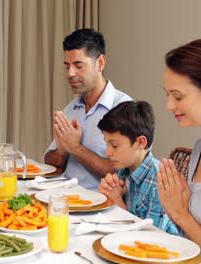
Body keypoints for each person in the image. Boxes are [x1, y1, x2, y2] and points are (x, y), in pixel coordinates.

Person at [43, 28, 132, 191]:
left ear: (100, 63)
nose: (70, 73)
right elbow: (50, 165)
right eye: (67, 66)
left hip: (105, 208)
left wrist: (76, 149)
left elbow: (122, 173)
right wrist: (62, 150)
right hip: (66, 200)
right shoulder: (70, 110)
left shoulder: (124, 108)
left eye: (78, 66)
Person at [97, 101, 178, 235]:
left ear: (140, 142)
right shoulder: (124, 169)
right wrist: (109, 196)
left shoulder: (158, 183)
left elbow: (151, 238)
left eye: (115, 146)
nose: (107, 152)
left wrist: (117, 201)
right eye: (107, 144)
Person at [157, 39, 201, 246]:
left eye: (178, 97)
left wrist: (181, 214)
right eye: (168, 95)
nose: (169, 105)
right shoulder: (199, 148)